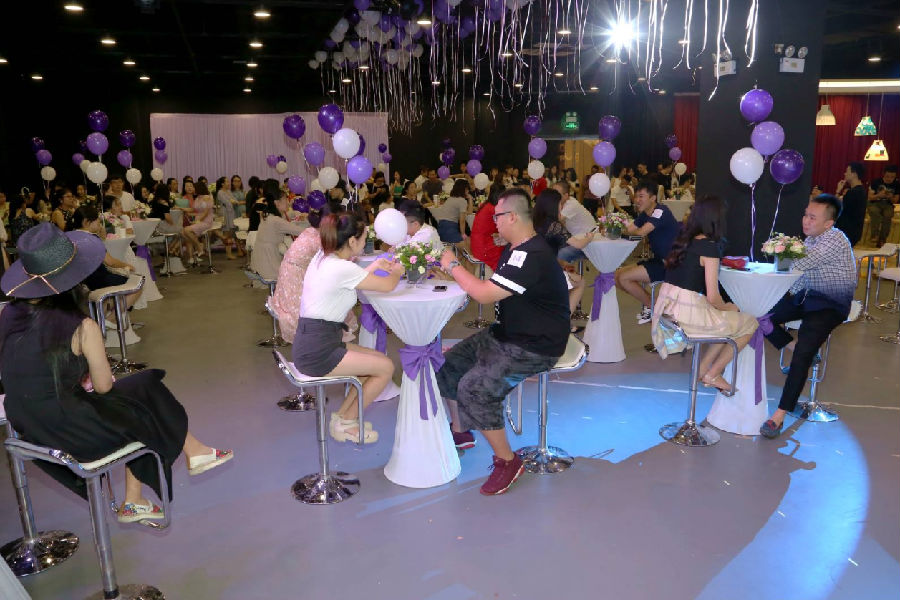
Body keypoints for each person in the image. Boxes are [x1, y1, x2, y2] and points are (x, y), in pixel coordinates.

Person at [0, 223, 231, 523]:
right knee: (143, 396)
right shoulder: (82, 327)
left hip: (27, 428)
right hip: (70, 433)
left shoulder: (7, 315)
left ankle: (156, 483)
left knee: (143, 387)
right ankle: (188, 456)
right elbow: (104, 387)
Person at [436, 188, 570, 495]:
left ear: (512, 217)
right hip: (508, 333)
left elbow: (483, 294)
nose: (492, 222)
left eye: (496, 216)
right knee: (449, 365)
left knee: (475, 389)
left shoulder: (532, 255)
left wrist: (453, 265)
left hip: (535, 345)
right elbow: (493, 286)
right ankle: (461, 431)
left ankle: (508, 461)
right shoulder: (516, 248)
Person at [293, 212, 404, 443]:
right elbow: (387, 285)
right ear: (352, 241)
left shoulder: (323, 258)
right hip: (318, 350)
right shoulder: (341, 268)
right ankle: (347, 422)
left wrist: (374, 265)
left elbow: (350, 279)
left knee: (375, 360)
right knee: (385, 368)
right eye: (364, 239)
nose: (365, 243)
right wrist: (398, 271)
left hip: (315, 341)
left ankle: (343, 418)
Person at [759, 194, 857, 439]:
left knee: (802, 356)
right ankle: (794, 346)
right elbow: (798, 279)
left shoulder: (835, 239)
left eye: (813, 217)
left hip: (830, 305)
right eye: (805, 215)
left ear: (829, 223)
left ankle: (779, 415)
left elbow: (802, 263)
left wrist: (780, 253)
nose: (806, 220)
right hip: (807, 298)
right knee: (762, 315)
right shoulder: (811, 240)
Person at [651, 196, 758, 391]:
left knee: (726, 322)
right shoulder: (709, 247)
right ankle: (713, 373)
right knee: (750, 322)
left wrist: (725, 309)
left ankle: (702, 371)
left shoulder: (684, 240)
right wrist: (729, 307)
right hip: (686, 313)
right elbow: (713, 297)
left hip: (668, 310)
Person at [271, 201, 357, 342]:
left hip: (290, 272)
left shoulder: (311, 230)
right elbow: (338, 260)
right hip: (295, 276)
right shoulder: (321, 239)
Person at [618, 179, 679, 324]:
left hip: (672, 264)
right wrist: (614, 228)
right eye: (636, 196)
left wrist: (627, 232)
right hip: (658, 260)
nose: (637, 200)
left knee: (624, 278)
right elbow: (629, 230)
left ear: (653, 198)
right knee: (616, 276)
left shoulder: (660, 211)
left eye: (641, 196)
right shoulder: (645, 214)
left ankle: (654, 308)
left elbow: (640, 233)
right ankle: (654, 305)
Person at [532, 188, 592, 330]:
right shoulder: (554, 225)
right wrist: (589, 238)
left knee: (568, 280)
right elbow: (578, 244)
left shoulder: (533, 221)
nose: (562, 207)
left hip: (532, 270)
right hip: (547, 275)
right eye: (560, 204)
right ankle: (563, 322)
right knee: (580, 282)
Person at [250, 179, 305, 281]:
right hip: (269, 265)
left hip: (259, 261)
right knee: (300, 272)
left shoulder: (267, 215)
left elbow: (284, 217)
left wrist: (297, 215)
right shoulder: (276, 221)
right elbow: (301, 231)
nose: (288, 203)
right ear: (277, 203)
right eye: (286, 200)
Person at [554, 180, 595, 263]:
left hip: (587, 242)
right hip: (576, 239)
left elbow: (555, 220)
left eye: (556, 194)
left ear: (566, 195)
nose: (553, 196)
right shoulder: (562, 203)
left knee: (560, 253)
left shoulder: (571, 204)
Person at [469, 185, 505, 271]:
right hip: (483, 247)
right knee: (507, 248)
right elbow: (503, 228)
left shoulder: (485, 205)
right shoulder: (493, 209)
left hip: (476, 244)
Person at [834, 162, 867, 247]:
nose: (845, 173)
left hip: (846, 233)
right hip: (853, 232)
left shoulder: (853, 193)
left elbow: (835, 209)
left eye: (847, 171)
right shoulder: (861, 191)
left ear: (854, 174)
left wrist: (838, 191)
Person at [182, 181, 215, 262]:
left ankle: (199, 246)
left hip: (206, 221)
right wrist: (181, 208)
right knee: (182, 232)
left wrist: (198, 221)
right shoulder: (197, 198)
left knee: (186, 230)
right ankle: (198, 247)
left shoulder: (207, 197)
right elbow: (193, 209)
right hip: (199, 220)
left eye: (193, 187)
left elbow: (206, 213)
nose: (192, 189)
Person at [867, 165, 899, 248]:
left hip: (888, 204)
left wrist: (890, 197)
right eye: (887, 176)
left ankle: (882, 239)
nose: (889, 179)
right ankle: (875, 235)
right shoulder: (876, 182)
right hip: (875, 203)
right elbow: (870, 197)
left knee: (888, 215)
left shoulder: (897, 184)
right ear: (884, 174)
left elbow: (895, 200)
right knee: (874, 211)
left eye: (892, 177)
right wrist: (879, 195)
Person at [431, 178, 471, 244]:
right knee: (466, 243)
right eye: (467, 189)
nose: (468, 191)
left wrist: (470, 199)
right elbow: (462, 221)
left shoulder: (450, 199)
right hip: (450, 228)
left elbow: (469, 212)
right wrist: (463, 234)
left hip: (440, 227)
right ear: (464, 189)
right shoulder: (462, 201)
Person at [215, 176, 243, 260]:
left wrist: (234, 202)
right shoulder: (220, 192)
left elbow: (235, 200)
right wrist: (233, 202)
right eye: (227, 181)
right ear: (222, 184)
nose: (229, 183)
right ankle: (229, 254)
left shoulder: (228, 191)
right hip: (225, 213)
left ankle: (229, 253)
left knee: (230, 233)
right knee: (226, 233)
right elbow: (227, 202)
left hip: (231, 213)